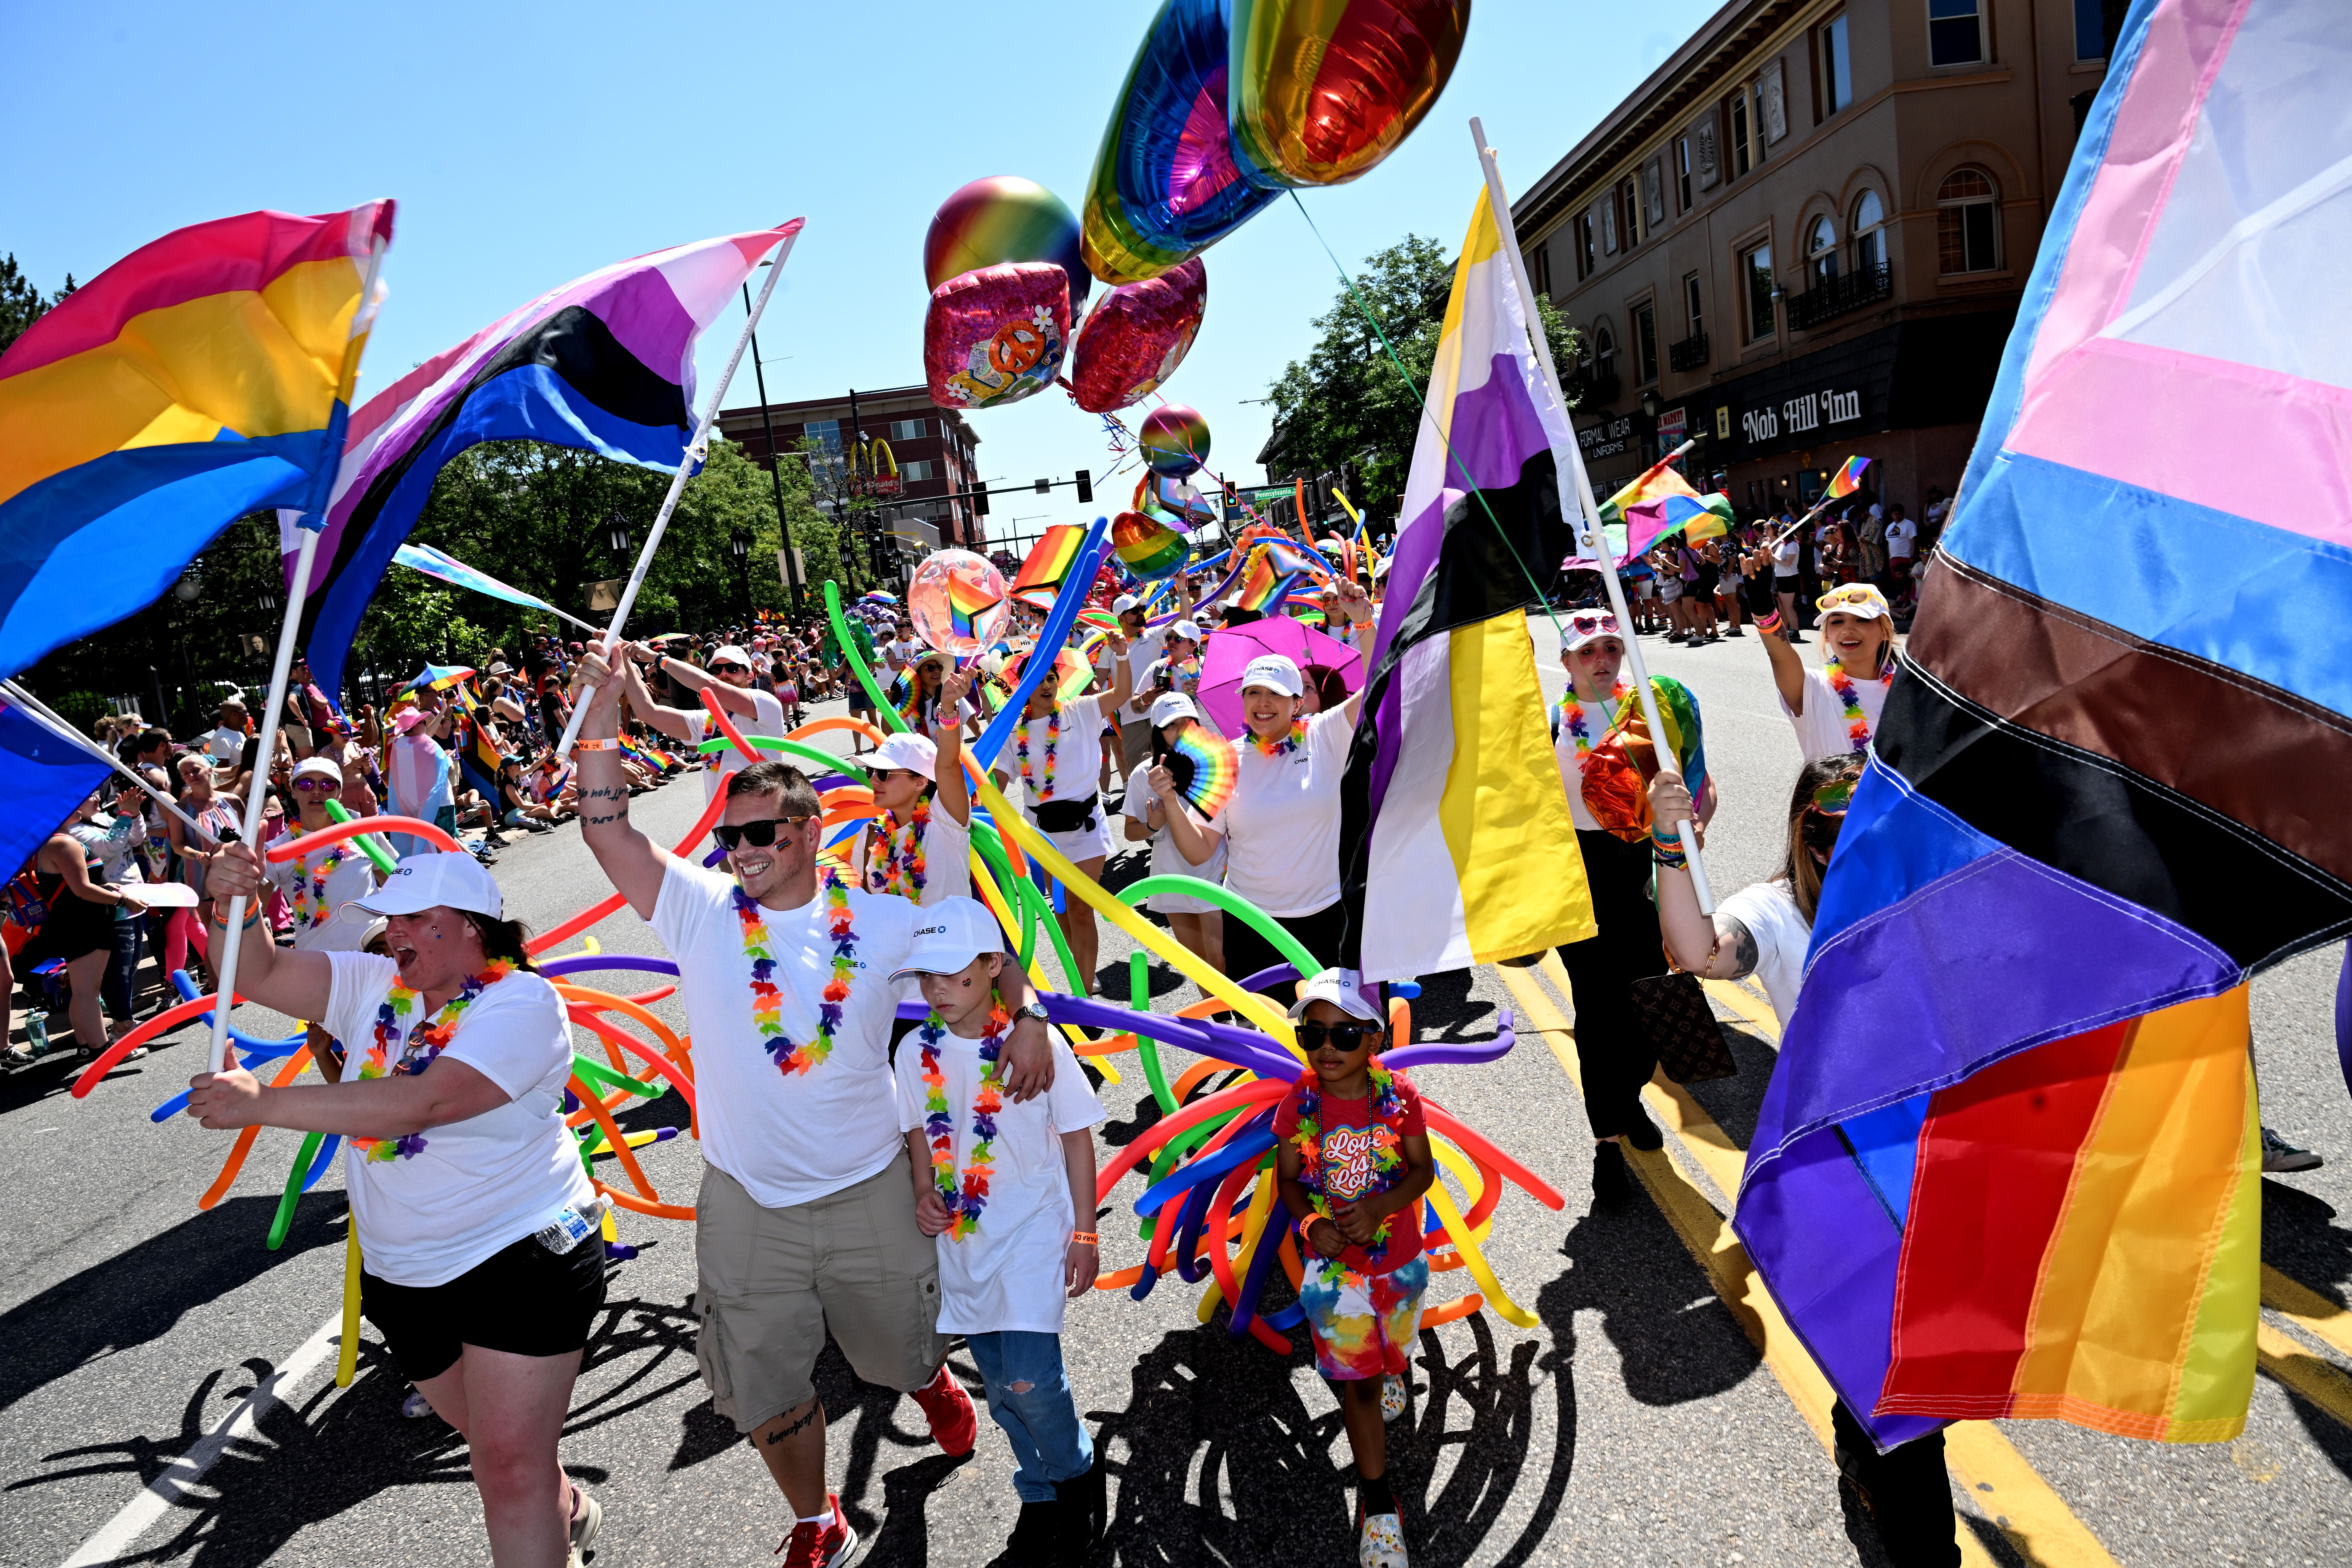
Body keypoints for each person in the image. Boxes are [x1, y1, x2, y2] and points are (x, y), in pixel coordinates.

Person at [567, 642, 1062, 1565]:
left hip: (867, 1181)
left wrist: (1026, 1014)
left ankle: (926, 1381)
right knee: (757, 1382)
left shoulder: (876, 920)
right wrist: (600, 716)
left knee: (894, 1350)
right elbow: (610, 836)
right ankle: (815, 1517)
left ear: (806, 832)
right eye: (731, 835)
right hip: (744, 1197)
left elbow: (974, 931)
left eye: (762, 834)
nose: (742, 851)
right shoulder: (699, 908)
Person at [185, 846, 607, 1568]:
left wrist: (267, 1104)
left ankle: (538, 1509)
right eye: (388, 919)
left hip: (519, 1260)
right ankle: (559, 1504)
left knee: (504, 1471)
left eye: (416, 917)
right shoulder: (374, 982)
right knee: (499, 1447)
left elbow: (424, 1100)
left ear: (475, 928)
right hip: (401, 1274)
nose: (394, 932)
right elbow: (255, 972)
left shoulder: (524, 1003)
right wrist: (238, 905)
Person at [1646, 752, 1959, 1566]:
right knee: (1906, 1393)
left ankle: (1860, 1439)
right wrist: (1669, 846)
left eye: (1875, 824)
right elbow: (1698, 950)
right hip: (1844, 1178)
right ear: (1804, 833)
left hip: (1938, 1165)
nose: (1852, 842)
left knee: (1935, 1362)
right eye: (1829, 827)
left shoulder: (1934, 896)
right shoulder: (1780, 913)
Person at [891, 899, 1107, 1564]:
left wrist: (1085, 1233)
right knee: (1002, 1390)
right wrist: (924, 1194)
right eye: (926, 975)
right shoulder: (914, 1051)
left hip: (1034, 1235)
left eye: (953, 975)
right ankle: (1038, 1493)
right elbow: (917, 1136)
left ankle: (1076, 1478)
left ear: (991, 967)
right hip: (964, 1246)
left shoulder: (1034, 1046)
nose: (936, 990)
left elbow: (1076, 1138)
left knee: (1031, 1382)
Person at [1548, 609, 1713, 1205]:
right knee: (1597, 1014)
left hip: (1644, 872)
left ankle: (1632, 1095)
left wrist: (1687, 830)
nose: (1602, 660)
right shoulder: (1547, 725)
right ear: (1566, 662)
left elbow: (1701, 786)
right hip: (1578, 879)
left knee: (1648, 1004)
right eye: (1588, 651)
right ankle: (1606, 1146)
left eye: (1612, 648)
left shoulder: (1652, 711)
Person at [1273, 968, 1436, 1568]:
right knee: (1361, 1385)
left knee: (1394, 1355)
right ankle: (1379, 1504)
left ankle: (1392, 1364)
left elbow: (1423, 1171)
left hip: (1400, 1267)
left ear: (1373, 1040)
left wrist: (1378, 1208)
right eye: (1313, 1034)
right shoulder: (1300, 1103)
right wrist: (1311, 1225)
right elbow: (1289, 1180)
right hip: (1333, 1274)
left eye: (1344, 1035)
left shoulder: (1401, 1100)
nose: (1326, 1048)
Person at [1154, 574, 1375, 994]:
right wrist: (1169, 802)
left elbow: (1378, 687)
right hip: (1252, 923)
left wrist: (1363, 624)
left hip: (1326, 918)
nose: (1263, 703)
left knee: (1324, 1035)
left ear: (1297, 703)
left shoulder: (1324, 733)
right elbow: (1200, 849)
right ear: (1241, 700)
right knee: (1268, 1042)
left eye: (1275, 693)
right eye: (1253, 692)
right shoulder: (1224, 760)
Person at [1005, 634, 1131, 995]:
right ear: (1023, 686)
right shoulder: (1013, 729)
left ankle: (1083, 988)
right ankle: (1079, 972)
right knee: (1060, 911)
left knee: (1079, 908)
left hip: (1087, 825)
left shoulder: (1082, 709)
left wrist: (1121, 656)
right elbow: (998, 778)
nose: (1046, 684)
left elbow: (1121, 694)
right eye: (1037, 679)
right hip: (1041, 834)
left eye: (1051, 677)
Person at [7, 803, 148, 1061]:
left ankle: (86, 1046)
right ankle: (102, 1049)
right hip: (84, 923)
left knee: (83, 990)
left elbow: (77, 884)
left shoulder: (50, 843)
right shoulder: (64, 844)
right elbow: (82, 889)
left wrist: (108, 887)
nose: (80, 802)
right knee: (88, 991)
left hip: (73, 923)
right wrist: (123, 901)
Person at [1119, 693, 1228, 974]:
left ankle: (1243, 1018)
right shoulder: (1145, 773)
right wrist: (1154, 825)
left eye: (1186, 722)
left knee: (1220, 957)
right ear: (1157, 732)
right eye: (1171, 725)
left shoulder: (1220, 763)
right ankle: (1214, 1018)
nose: (1180, 730)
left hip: (1217, 870)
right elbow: (1130, 831)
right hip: (1171, 874)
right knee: (1197, 965)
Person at [854, 672, 976, 907]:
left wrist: (948, 707)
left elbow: (949, 765)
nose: (874, 781)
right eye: (871, 772)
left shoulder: (946, 819)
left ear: (920, 782)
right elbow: (865, 904)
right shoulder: (870, 833)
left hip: (950, 943)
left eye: (883, 774)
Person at [616, 642, 785, 802]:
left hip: (769, 817)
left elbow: (710, 685)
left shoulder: (764, 703)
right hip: (724, 823)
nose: (724, 674)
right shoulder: (706, 721)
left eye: (733, 669)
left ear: (750, 677)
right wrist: (624, 656)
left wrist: (656, 658)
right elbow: (648, 712)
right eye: (717, 669)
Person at [1753, 581, 1898, 758]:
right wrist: (1762, 607)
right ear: (1827, 635)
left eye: (1862, 619)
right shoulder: (1815, 690)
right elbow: (1780, 656)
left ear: (1886, 631)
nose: (1847, 630)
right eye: (1837, 621)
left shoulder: (1907, 690)